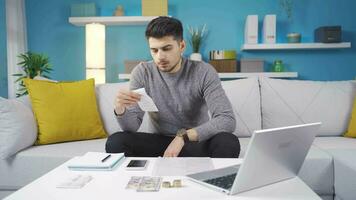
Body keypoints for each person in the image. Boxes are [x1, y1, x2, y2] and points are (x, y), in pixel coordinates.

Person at [106, 16, 240, 158]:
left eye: (166, 48)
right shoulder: (142, 72)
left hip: (194, 141)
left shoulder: (203, 72)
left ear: (181, 46)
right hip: (160, 143)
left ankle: (210, 179)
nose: (160, 57)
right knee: (116, 141)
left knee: (228, 142)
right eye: (154, 50)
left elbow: (227, 119)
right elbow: (131, 127)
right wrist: (120, 110)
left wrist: (183, 137)